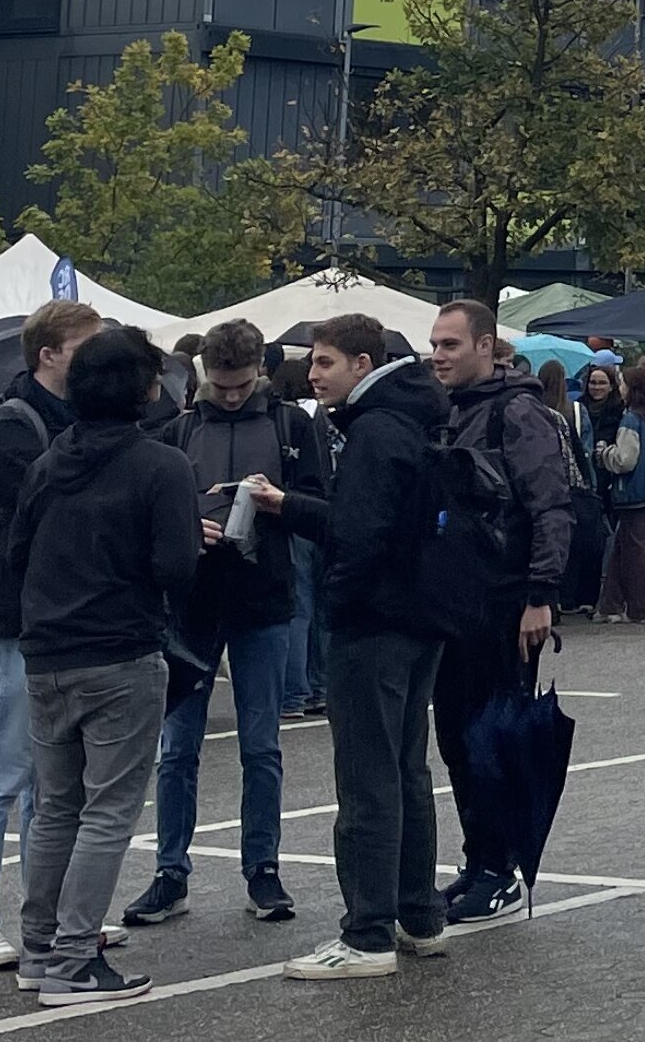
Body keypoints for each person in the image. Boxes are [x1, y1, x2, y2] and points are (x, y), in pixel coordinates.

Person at [0, 326, 196, 1005]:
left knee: (55, 807)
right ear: (146, 388)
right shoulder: (160, 465)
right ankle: (77, 956)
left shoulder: (51, 461)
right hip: (120, 648)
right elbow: (175, 567)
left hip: (48, 648)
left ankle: (41, 944)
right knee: (109, 810)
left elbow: (17, 551)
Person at [260, 314, 455, 980]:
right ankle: (418, 914)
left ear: (362, 361)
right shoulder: (412, 417)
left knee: (368, 775)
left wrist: (338, 603)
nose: (312, 374)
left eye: (324, 361)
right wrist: (287, 504)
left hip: (372, 621)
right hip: (418, 614)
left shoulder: (373, 430)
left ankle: (367, 930)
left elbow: (359, 534)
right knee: (406, 770)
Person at [126, 319, 323, 929]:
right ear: (204, 376)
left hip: (263, 600)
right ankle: (170, 871)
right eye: (221, 386)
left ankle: (262, 868)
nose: (231, 396)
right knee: (177, 748)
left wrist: (278, 505)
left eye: (240, 387)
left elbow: (322, 509)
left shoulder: (294, 426)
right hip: (193, 605)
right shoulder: (179, 429)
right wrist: (192, 526)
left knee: (261, 744)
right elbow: (149, 514)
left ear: (260, 373)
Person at [0, 299, 102, 973]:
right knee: (1, 771)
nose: (95, 358)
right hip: (16, 616)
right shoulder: (14, 423)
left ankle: (53, 911)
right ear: (50, 354)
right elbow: (47, 506)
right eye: (85, 346)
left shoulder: (74, 417)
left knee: (52, 778)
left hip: (59, 616)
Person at [427, 301, 581, 930]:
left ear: (486, 346)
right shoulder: (449, 411)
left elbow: (551, 507)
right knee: (458, 739)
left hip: (504, 599)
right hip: (458, 600)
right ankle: (480, 859)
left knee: (492, 737)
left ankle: (500, 869)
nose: (438, 355)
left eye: (450, 345)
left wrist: (539, 596)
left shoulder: (519, 412)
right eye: (434, 344)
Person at [593, 361, 645, 625]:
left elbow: (625, 460)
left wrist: (604, 453)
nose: (621, 387)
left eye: (623, 383)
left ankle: (642, 608)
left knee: (635, 551)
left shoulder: (631, 419)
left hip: (632, 492)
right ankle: (610, 605)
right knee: (624, 545)